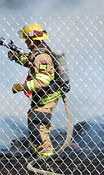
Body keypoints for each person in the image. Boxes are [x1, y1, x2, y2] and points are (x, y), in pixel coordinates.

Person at [5, 23, 63, 158]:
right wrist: (16, 56)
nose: (25, 43)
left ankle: (46, 157)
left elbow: (43, 81)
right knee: (34, 121)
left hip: (47, 95)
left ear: (32, 39)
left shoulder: (42, 56)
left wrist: (22, 87)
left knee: (38, 124)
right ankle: (38, 151)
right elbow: (29, 61)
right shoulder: (37, 52)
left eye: (26, 40)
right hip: (41, 96)